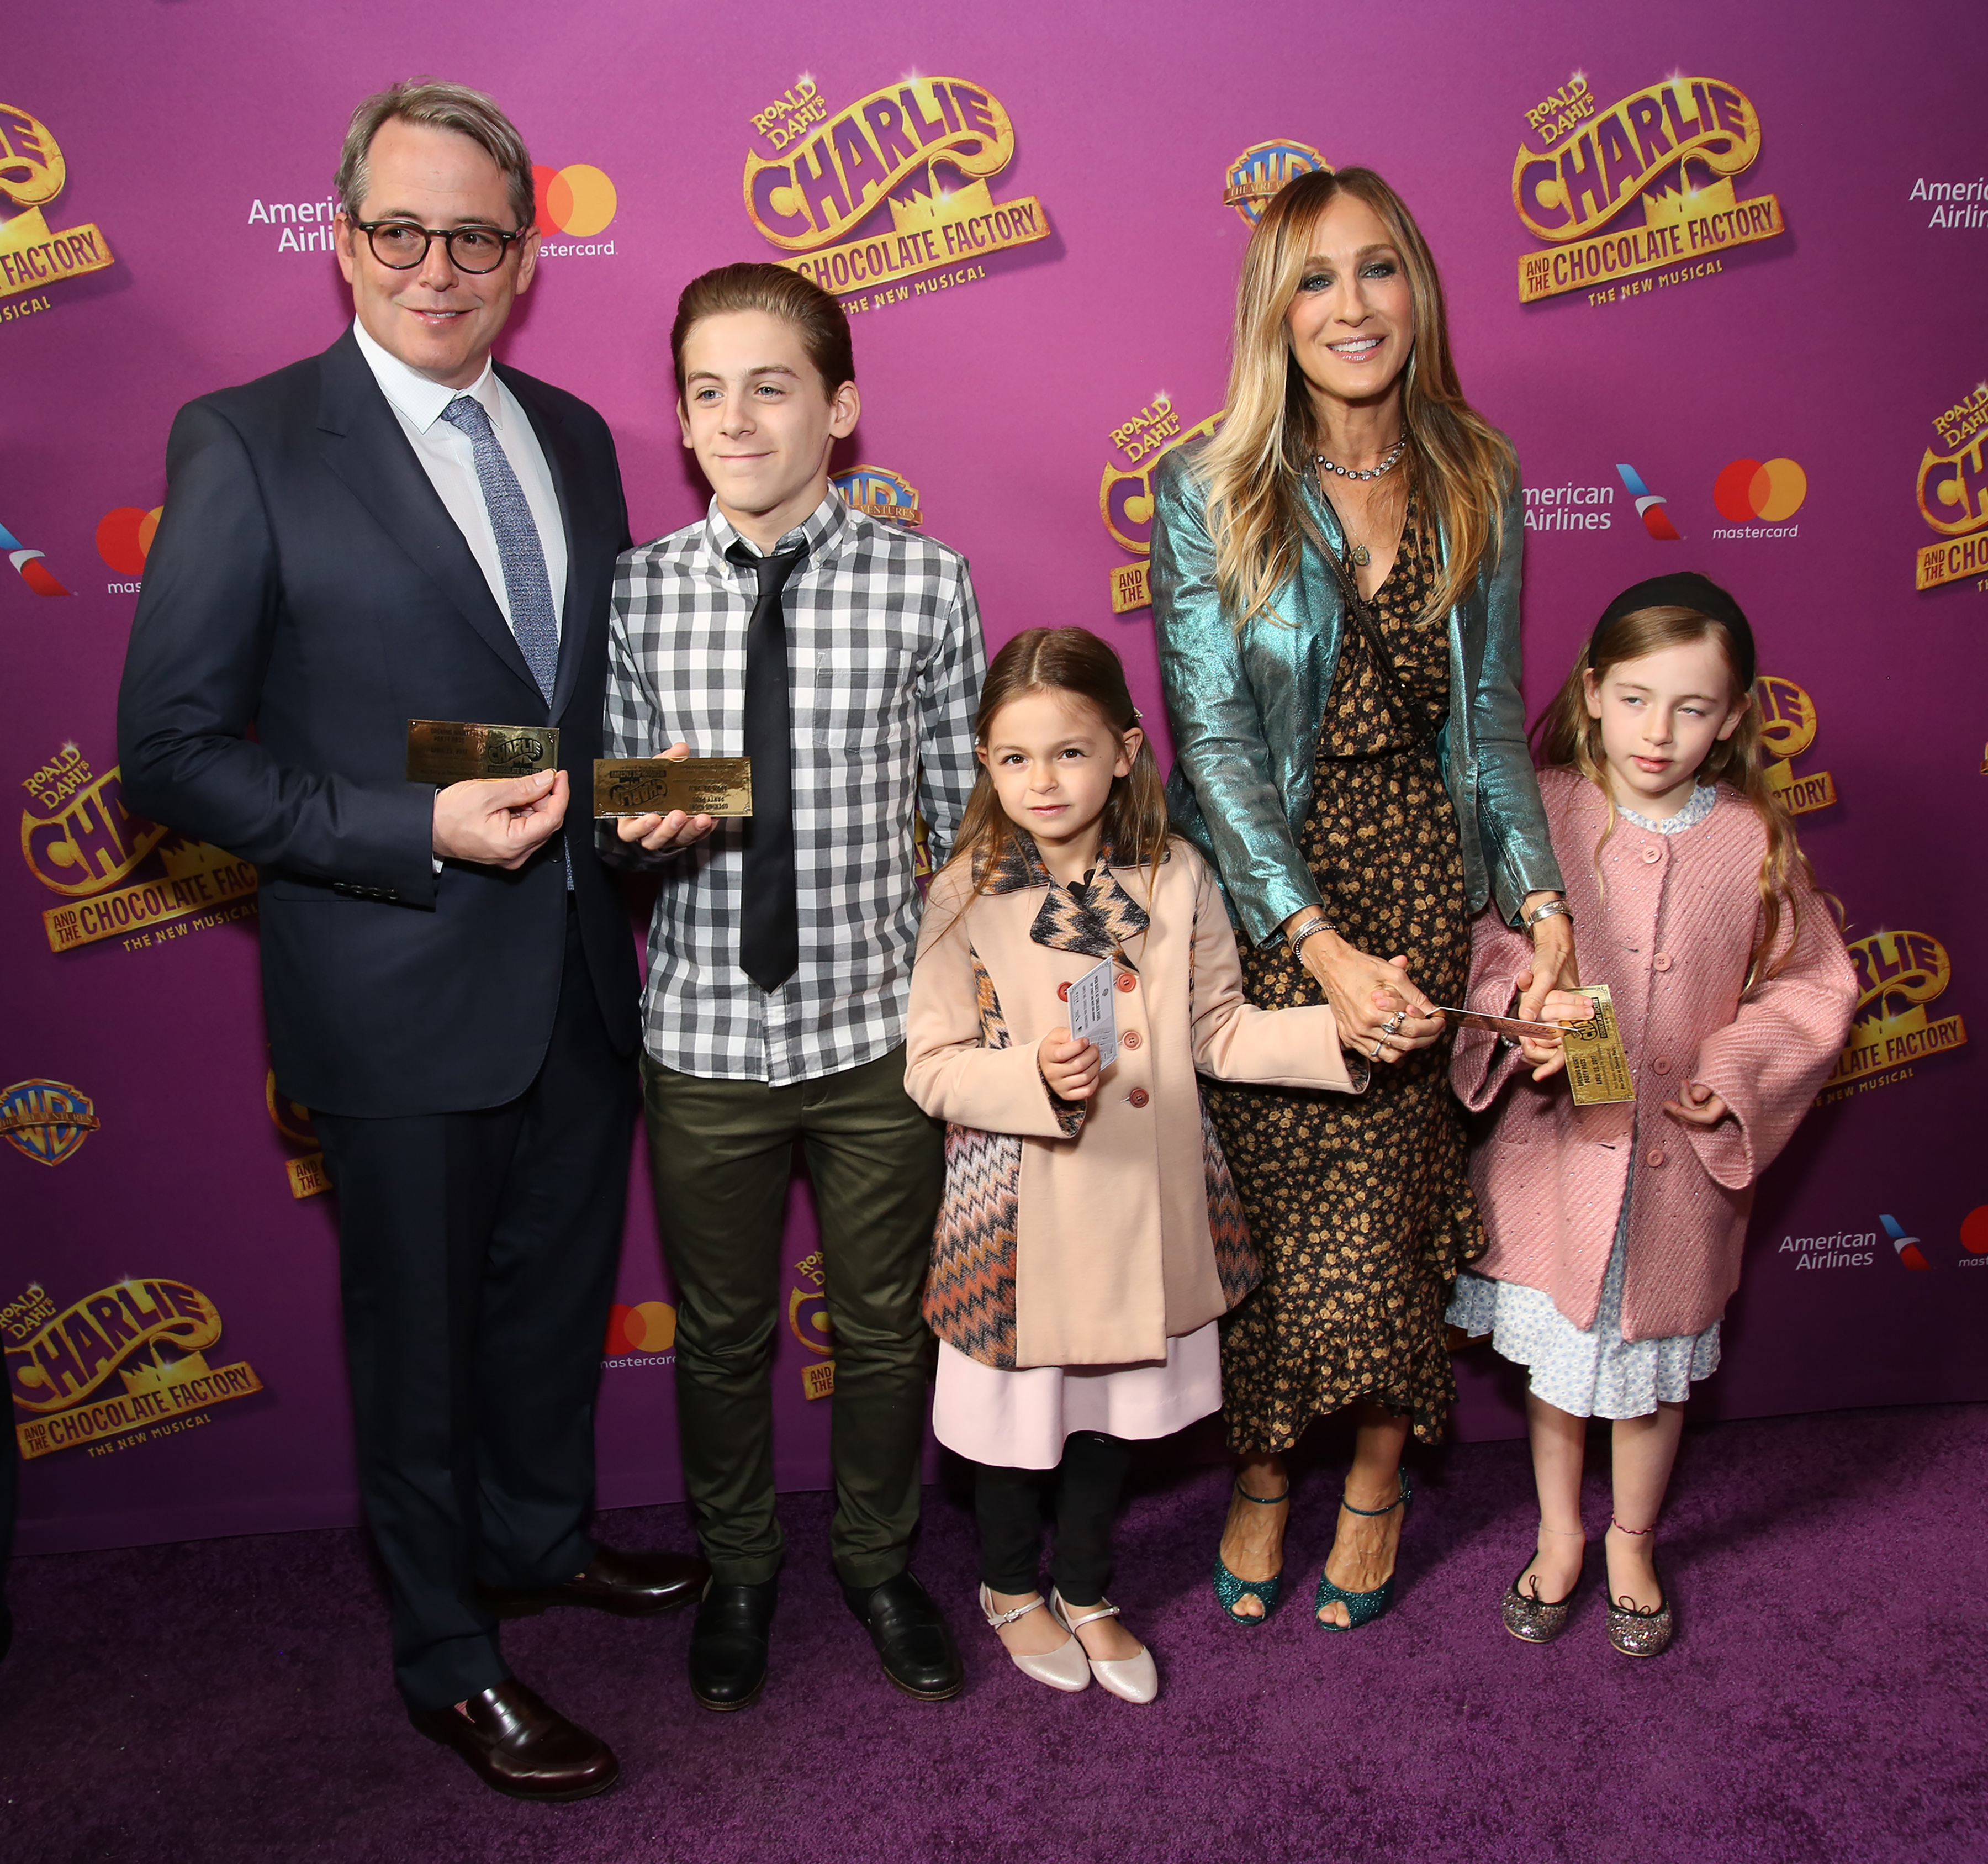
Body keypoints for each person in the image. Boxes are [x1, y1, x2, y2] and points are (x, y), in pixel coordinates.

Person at [115, 80, 711, 1801]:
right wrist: (406, 829)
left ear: (525, 256)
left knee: (546, 1310)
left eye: (472, 236)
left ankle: (535, 1543)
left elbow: (579, 717)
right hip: (388, 984)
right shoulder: (242, 440)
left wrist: (654, 803)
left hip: (584, 974)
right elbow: (171, 754)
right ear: (342, 237)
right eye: (398, 230)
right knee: (420, 1340)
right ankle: (450, 1651)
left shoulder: (585, 434)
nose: (434, 267)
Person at [1150, 166, 1577, 1630]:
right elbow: (1207, 744)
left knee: (1394, 1217)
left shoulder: (1482, 474)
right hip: (1278, 897)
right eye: (1316, 277)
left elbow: (1500, 716)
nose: (1351, 305)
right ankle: (1266, 1478)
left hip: (1423, 879)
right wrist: (1310, 942)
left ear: (1420, 290)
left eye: (1378, 269)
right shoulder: (1207, 485)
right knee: (1278, 1218)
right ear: (1274, 306)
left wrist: (1535, 890)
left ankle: (1380, 1478)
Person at [604, 263, 984, 1712]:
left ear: (840, 408)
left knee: (888, 1326)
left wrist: (963, 1003)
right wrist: (648, 806)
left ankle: (879, 1562)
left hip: (880, 1031)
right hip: (702, 1035)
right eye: (708, 390)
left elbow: (961, 824)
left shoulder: (926, 581)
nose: (738, 417)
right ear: (684, 420)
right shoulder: (640, 589)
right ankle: (743, 1565)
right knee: (722, 1337)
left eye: (771, 385)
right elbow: (611, 787)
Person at [904, 629, 1361, 1702]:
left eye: (1068, 752)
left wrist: (1345, 1035)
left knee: (1116, 1417)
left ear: (1123, 749)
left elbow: (1220, 1030)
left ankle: (1090, 1585)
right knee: (1021, 1427)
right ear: (983, 764)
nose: (1042, 780)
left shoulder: (1177, 873)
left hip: (1151, 1206)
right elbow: (932, 1069)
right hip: (1020, 1216)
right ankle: (1011, 1586)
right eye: (1013, 758)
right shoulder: (965, 891)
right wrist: (1031, 1078)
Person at [1447, 573, 1854, 1656]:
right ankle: (1558, 1532)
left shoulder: (1755, 840)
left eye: (1690, 706)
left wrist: (1736, 1068)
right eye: (1634, 698)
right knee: (1562, 1369)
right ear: (1591, 693)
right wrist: (1514, 1010)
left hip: (1675, 1174)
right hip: (1557, 1158)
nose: (1658, 731)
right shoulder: (1547, 810)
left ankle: (1631, 1537)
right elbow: (1490, 945)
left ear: (1732, 715)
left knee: (1646, 1378)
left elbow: (1812, 986)